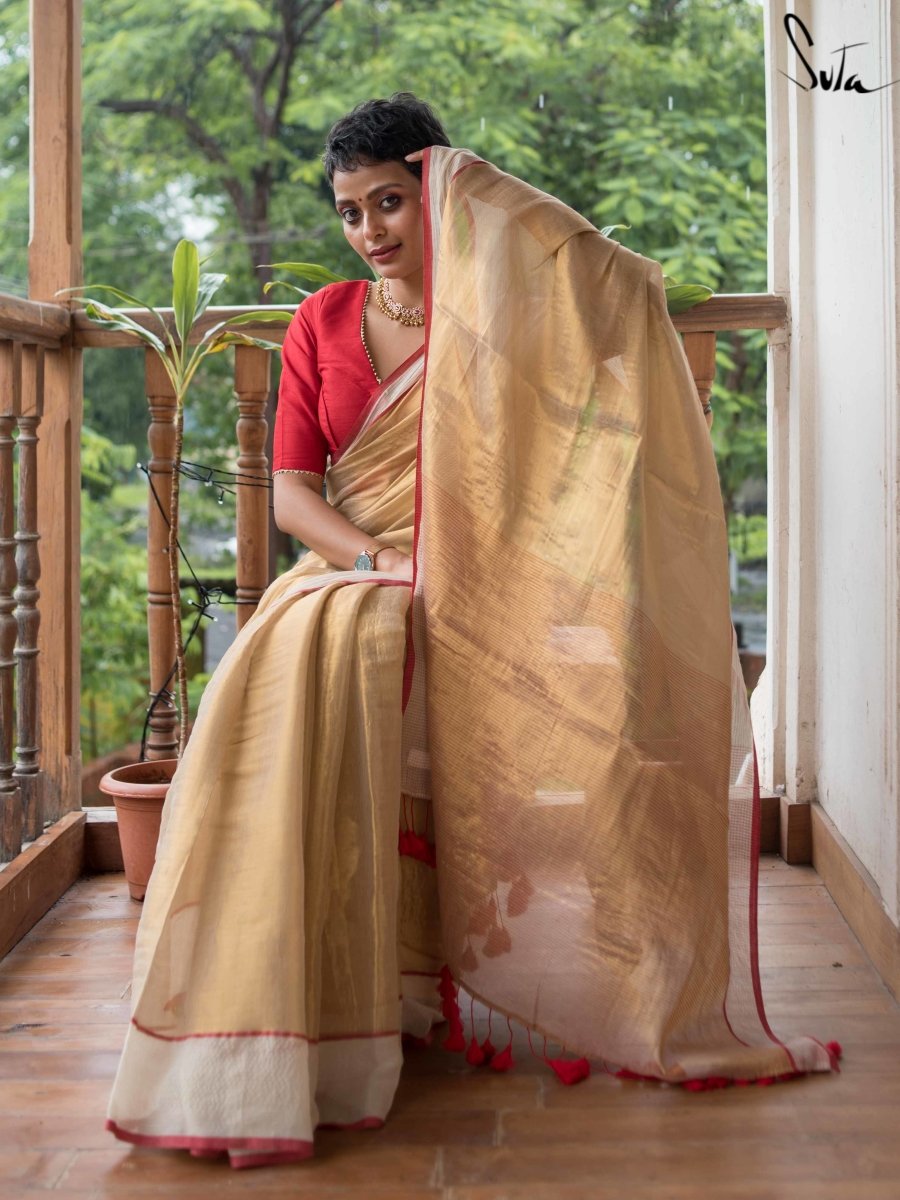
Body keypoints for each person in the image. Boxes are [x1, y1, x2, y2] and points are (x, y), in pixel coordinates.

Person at [105, 94, 841, 1170]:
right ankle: (309, 1003)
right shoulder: (322, 321)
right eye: (351, 211)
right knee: (327, 643)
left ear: (439, 189)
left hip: (484, 574)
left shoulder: (500, 311)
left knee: (375, 641)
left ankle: (410, 971)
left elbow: (613, 283)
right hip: (357, 561)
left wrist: (481, 185)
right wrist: (374, 560)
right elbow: (294, 495)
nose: (371, 232)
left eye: (394, 200)